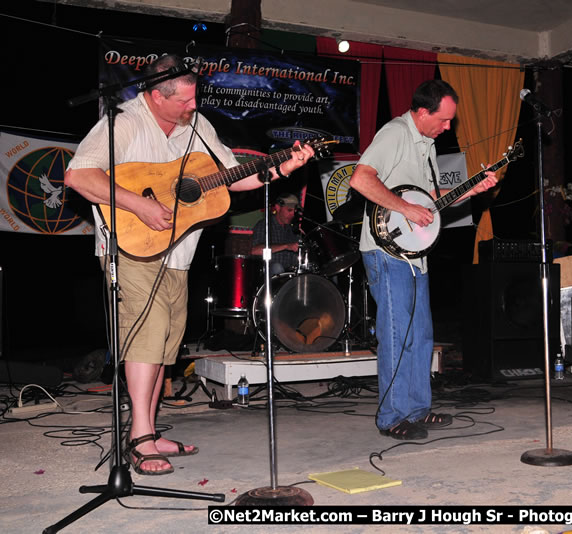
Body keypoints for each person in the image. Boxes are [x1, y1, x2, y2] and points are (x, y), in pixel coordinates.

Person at [64, 54, 315, 475]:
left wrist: (283, 166)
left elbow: (234, 177)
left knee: (165, 344)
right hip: (130, 246)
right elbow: (78, 177)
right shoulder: (123, 123)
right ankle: (141, 440)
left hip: (178, 252)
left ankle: (146, 430)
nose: (193, 106)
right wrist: (138, 204)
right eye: (183, 100)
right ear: (155, 96)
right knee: (144, 338)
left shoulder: (198, 126)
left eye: (194, 96)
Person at [349, 80, 498, 440]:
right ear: (422, 112)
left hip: (415, 255)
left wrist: (471, 188)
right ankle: (392, 417)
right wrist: (405, 208)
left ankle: (416, 409)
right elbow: (360, 179)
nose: (449, 127)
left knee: (421, 334)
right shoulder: (395, 134)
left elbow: (431, 199)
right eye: (444, 120)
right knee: (397, 335)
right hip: (387, 252)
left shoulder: (427, 145)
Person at [250, 192, 302, 276]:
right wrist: (286, 246)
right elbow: (254, 251)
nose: (292, 214)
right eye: (289, 210)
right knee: (277, 267)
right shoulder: (265, 225)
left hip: (288, 276)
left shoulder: (292, 230)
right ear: (278, 208)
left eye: (294, 211)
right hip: (266, 274)